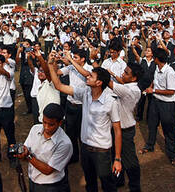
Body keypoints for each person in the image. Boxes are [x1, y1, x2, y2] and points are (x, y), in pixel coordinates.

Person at [48, 54, 122, 192]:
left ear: (99, 83)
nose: (87, 76)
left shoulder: (110, 102)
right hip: (86, 148)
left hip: (102, 151)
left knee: (107, 183)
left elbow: (117, 130)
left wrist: (117, 158)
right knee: (90, 182)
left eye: (91, 76)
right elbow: (58, 86)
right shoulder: (85, 93)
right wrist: (50, 65)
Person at [16, 103, 73, 192]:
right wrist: (21, 153)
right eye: (44, 122)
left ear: (60, 123)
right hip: (33, 182)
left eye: (51, 124)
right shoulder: (35, 129)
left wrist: (28, 156)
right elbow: (26, 153)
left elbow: (48, 170)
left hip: (51, 187)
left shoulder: (64, 143)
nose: (46, 127)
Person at [139, 48, 175, 166]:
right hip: (155, 102)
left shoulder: (170, 72)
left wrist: (154, 90)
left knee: (168, 129)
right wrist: (150, 88)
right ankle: (150, 145)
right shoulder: (157, 68)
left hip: (167, 104)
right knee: (152, 125)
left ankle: (172, 154)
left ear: (157, 59)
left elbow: (171, 91)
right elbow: (154, 81)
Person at [107, 63, 144, 191]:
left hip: (125, 130)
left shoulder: (130, 90)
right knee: (115, 156)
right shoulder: (127, 86)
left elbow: (107, 81)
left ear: (134, 78)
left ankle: (135, 187)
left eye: (126, 73)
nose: (123, 74)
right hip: (117, 128)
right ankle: (119, 179)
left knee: (130, 161)